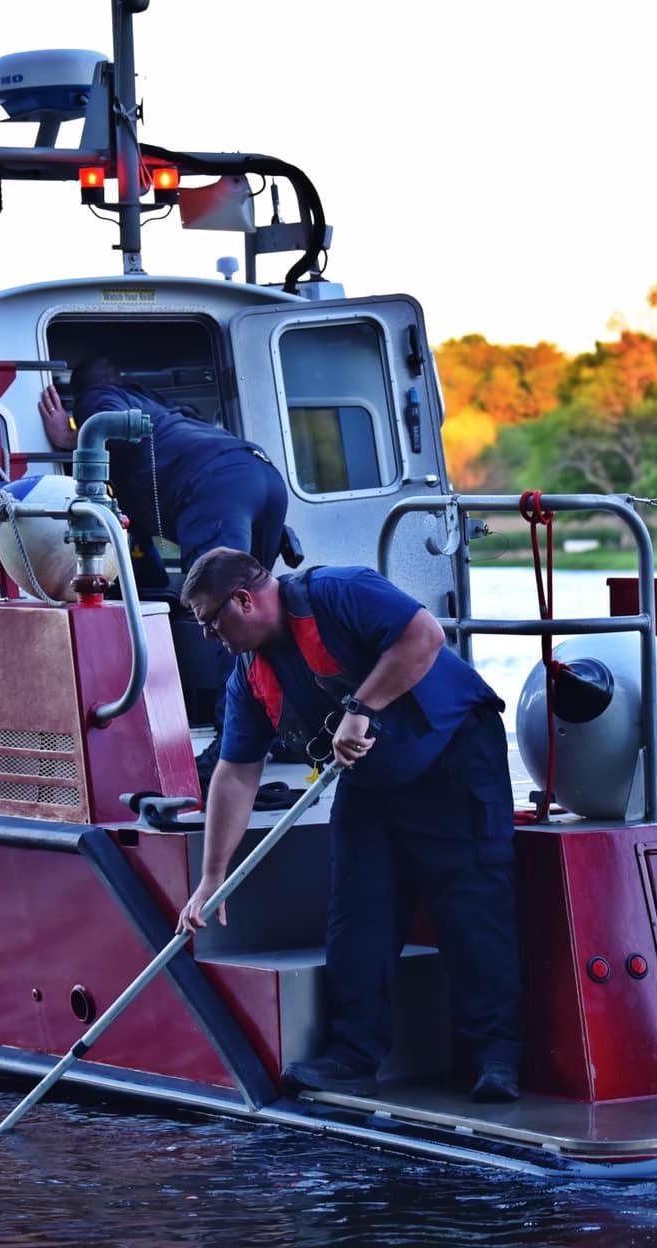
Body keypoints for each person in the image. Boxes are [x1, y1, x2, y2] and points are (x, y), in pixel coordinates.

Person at [173, 548, 523, 1103]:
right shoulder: (249, 675)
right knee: (357, 913)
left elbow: (424, 637)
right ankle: (354, 1055)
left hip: (455, 757)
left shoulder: (342, 590)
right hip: (371, 780)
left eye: (212, 623)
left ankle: (496, 1058)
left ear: (243, 600)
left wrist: (361, 706)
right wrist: (213, 876)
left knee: (472, 905)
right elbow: (236, 774)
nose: (211, 638)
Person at [40, 359, 291, 774]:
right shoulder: (161, 417)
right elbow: (141, 554)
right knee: (263, 615)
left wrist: (72, 437)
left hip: (213, 488)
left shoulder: (100, 398)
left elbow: (102, 414)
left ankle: (234, 744)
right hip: (259, 475)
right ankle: (284, 726)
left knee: (230, 617)